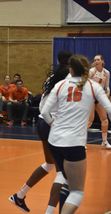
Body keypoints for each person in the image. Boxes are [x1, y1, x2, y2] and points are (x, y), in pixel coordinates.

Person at [42, 54, 111, 214]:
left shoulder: (60, 85)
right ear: (87, 69)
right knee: (77, 192)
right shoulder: (93, 87)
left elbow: (45, 112)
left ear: (70, 69)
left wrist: (54, 124)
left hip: (54, 140)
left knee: (66, 179)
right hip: (73, 142)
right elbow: (109, 109)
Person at [9, 50, 72, 213]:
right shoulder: (69, 79)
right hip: (53, 124)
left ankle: (19, 196)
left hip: (42, 123)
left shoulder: (52, 77)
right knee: (62, 174)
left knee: (50, 165)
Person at [87, 55, 111, 149]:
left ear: (102, 61)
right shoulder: (92, 71)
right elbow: (86, 82)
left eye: (98, 60)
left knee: (104, 120)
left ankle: (104, 142)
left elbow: (107, 86)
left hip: (100, 97)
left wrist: (108, 92)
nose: (96, 61)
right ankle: (81, 142)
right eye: (95, 60)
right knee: (90, 121)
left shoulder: (106, 73)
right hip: (91, 96)